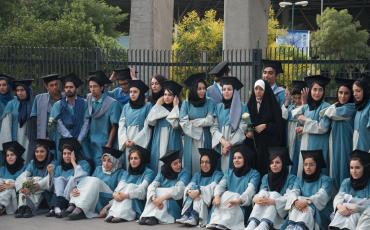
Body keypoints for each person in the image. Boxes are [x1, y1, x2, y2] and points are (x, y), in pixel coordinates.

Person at [207, 144, 260, 230]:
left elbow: (250, 190)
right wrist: (216, 196)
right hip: (228, 203)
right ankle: (217, 221)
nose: (236, 160)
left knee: (233, 195)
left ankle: (225, 223)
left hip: (241, 206)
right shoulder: (229, 172)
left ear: (246, 159)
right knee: (223, 195)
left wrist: (239, 200)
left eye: (239, 158)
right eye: (234, 158)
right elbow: (221, 185)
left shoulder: (254, 174)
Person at [65, 147, 123, 220]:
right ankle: (73, 205)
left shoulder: (121, 173)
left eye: (109, 161)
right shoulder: (98, 169)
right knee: (87, 179)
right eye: (104, 160)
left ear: (115, 161)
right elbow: (88, 185)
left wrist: (107, 208)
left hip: (107, 199)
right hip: (94, 197)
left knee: (95, 180)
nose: (106, 163)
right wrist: (75, 189)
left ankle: (81, 209)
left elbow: (119, 194)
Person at [245, 147, 296, 230]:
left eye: (277, 162)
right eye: (272, 163)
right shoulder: (266, 177)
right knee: (262, 194)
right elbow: (262, 191)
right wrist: (257, 198)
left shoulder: (291, 178)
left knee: (274, 194)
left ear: (283, 163)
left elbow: (289, 197)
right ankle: (253, 223)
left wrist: (275, 201)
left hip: (281, 212)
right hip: (264, 209)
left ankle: (264, 225)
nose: (274, 165)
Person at [139, 150, 191, 225]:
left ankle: (155, 217)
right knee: (155, 191)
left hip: (174, 202)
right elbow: (152, 185)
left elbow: (179, 190)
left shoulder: (185, 173)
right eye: (175, 163)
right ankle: (148, 215)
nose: (179, 165)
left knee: (164, 191)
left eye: (179, 162)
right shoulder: (163, 172)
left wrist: (161, 198)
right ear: (169, 165)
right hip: (159, 202)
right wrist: (154, 199)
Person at [285, 150, 334, 230]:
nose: (308, 167)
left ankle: (300, 227)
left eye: (311, 165)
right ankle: (292, 226)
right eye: (305, 164)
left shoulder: (326, 180)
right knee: (296, 203)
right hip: (300, 209)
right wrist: (296, 201)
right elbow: (293, 192)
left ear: (317, 165)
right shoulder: (299, 180)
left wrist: (306, 202)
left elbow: (322, 196)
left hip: (320, 212)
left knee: (308, 206)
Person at [293, 75, 331, 176]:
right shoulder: (306, 107)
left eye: (320, 90)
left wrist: (305, 121)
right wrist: (301, 128)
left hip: (319, 144)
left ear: (324, 92)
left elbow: (323, 127)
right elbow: (294, 114)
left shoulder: (326, 107)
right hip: (306, 143)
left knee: (318, 170)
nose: (317, 93)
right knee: (305, 169)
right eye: (314, 89)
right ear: (310, 90)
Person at [105, 145, 155, 223]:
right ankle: (114, 213)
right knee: (123, 187)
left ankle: (122, 215)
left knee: (130, 186)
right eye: (131, 158)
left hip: (138, 200)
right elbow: (119, 187)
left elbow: (142, 190)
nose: (133, 161)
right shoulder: (127, 172)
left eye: (136, 158)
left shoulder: (148, 172)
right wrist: (115, 195)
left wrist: (126, 195)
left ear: (141, 160)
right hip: (124, 197)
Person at [177, 148, 223, 227]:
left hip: (208, 203)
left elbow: (212, 187)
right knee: (192, 188)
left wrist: (199, 191)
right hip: (196, 198)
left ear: (212, 163)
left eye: (207, 162)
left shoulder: (218, 174)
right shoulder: (197, 174)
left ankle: (194, 216)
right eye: (202, 162)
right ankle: (187, 214)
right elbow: (190, 185)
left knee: (199, 192)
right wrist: (189, 191)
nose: (204, 165)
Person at [143, 80, 183, 172]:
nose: (167, 97)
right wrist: (157, 105)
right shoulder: (159, 108)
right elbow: (150, 121)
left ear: (175, 97)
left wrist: (176, 107)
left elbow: (175, 124)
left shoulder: (179, 109)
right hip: (159, 140)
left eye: (170, 95)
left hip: (172, 140)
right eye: (165, 94)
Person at [211, 76, 248, 173]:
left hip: (236, 145)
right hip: (221, 144)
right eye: (224, 89)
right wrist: (223, 142)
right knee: (220, 171)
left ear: (234, 91)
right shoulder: (218, 107)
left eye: (229, 89)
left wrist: (229, 144)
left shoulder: (242, 107)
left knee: (233, 170)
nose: (226, 92)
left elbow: (243, 127)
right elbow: (214, 127)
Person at [324, 78, 356, 189]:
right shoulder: (338, 107)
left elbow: (327, 112)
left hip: (347, 143)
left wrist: (332, 107)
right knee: (335, 168)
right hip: (334, 142)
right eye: (340, 93)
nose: (343, 96)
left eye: (346, 93)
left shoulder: (351, 107)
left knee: (345, 168)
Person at [246, 79, 284, 175]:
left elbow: (279, 126)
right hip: (254, 145)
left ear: (265, 90)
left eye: (261, 89)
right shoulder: (250, 104)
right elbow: (245, 123)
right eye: (256, 89)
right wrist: (248, 131)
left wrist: (266, 126)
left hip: (268, 145)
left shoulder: (273, 105)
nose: (258, 91)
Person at [46, 138, 91, 218]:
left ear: (75, 154)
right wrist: (50, 174)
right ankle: (57, 208)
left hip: (75, 194)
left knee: (71, 179)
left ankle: (55, 209)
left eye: (69, 153)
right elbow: (53, 187)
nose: (67, 156)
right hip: (61, 195)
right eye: (64, 153)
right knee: (59, 180)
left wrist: (73, 162)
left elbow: (82, 178)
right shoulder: (59, 168)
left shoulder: (84, 164)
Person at [49, 73, 88, 162]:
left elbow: (86, 122)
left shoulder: (84, 103)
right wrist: (70, 138)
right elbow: (58, 123)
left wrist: (79, 139)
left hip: (81, 140)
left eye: (71, 87)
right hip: (64, 140)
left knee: (82, 161)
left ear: (76, 88)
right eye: (66, 87)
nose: (68, 89)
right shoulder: (58, 105)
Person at [180, 73, 215, 174]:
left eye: (204, 88)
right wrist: (200, 128)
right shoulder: (186, 103)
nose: (202, 91)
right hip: (190, 139)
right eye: (199, 89)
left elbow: (210, 120)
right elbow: (183, 122)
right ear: (193, 89)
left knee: (205, 162)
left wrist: (193, 121)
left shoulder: (210, 102)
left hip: (206, 137)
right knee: (191, 163)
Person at [85, 70, 121, 167]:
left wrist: (109, 144)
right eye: (90, 87)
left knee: (100, 167)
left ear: (101, 87)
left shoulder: (112, 103)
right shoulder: (88, 100)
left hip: (103, 142)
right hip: (90, 141)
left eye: (95, 86)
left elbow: (115, 125)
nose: (92, 89)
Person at [14, 139, 56, 218]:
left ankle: (28, 207)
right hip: (31, 192)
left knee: (37, 179)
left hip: (45, 195)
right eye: (37, 151)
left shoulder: (52, 163)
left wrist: (32, 187)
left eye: (42, 151)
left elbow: (49, 182)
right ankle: (23, 207)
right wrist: (23, 187)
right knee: (25, 180)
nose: (39, 154)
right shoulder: (33, 163)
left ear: (47, 152)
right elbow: (22, 176)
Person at [329, 150, 370, 230]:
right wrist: (340, 206)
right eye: (351, 168)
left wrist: (358, 208)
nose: (354, 171)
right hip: (344, 213)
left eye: (357, 168)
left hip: (362, 217)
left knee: (355, 215)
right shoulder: (346, 182)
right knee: (339, 214)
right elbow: (338, 197)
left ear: (365, 168)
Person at [117, 79, 152, 169]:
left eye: (135, 92)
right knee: (129, 163)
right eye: (131, 92)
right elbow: (122, 124)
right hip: (127, 141)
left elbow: (147, 126)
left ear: (140, 93)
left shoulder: (147, 106)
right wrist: (125, 140)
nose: (132, 94)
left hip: (140, 141)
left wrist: (135, 141)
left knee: (139, 162)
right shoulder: (126, 107)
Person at [0, 79, 34, 162]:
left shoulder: (33, 103)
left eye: (22, 90)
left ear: (27, 90)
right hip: (16, 138)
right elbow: (6, 126)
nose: (19, 93)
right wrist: (8, 144)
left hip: (29, 138)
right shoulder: (11, 104)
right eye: (18, 90)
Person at [282, 80, 305, 175]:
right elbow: (283, 115)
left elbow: (302, 120)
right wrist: (286, 101)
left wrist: (304, 103)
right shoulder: (290, 107)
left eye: (299, 98)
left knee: (297, 156)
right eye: (295, 98)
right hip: (289, 136)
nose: (297, 100)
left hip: (299, 137)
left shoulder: (305, 107)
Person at [31, 74, 61, 140]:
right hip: (45, 135)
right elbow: (34, 118)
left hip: (62, 134)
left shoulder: (65, 98)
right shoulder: (39, 99)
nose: (55, 87)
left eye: (56, 84)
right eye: (51, 85)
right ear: (46, 86)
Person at [0, 141, 26, 216]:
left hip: (17, 202)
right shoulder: (2, 169)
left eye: (12, 154)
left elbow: (27, 184)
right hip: (6, 203)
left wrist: (13, 185)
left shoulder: (24, 168)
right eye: (7, 155)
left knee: (9, 182)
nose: (9, 157)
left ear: (17, 156)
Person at [352, 76, 370, 152]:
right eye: (353, 91)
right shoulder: (359, 106)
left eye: (358, 91)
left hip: (366, 150)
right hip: (357, 149)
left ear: (365, 91)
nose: (355, 94)